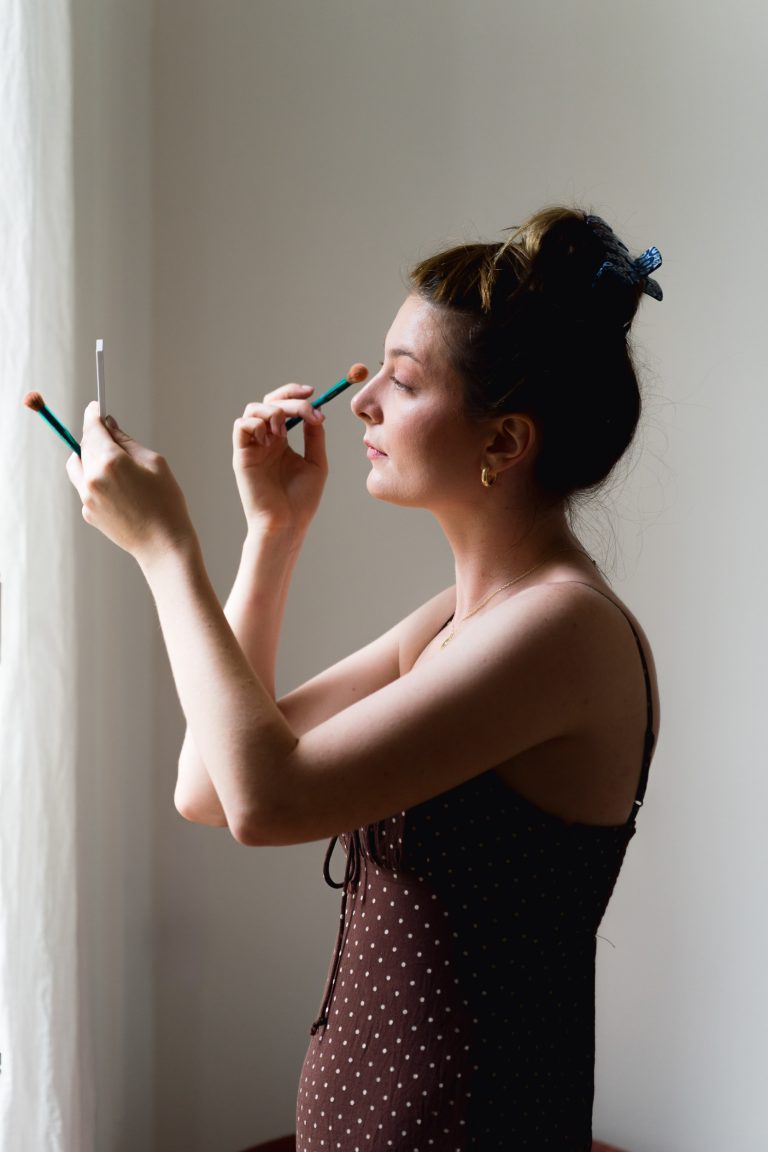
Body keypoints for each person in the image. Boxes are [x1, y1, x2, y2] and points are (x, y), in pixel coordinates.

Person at [66, 205, 662, 1150]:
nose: (365, 399)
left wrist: (167, 550)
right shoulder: (459, 621)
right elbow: (210, 786)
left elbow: (268, 801)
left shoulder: (562, 631)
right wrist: (273, 534)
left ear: (504, 443)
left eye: (405, 378)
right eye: (377, 366)